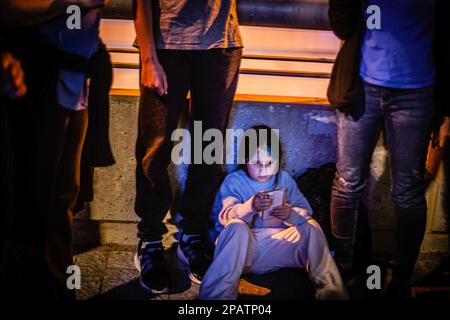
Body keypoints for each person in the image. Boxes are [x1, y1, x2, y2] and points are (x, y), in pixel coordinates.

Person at [328, 0, 450, 298]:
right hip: (362, 87)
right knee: (347, 183)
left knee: (408, 191)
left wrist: (445, 112)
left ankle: (402, 278)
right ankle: (340, 268)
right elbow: (341, 25)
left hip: (418, 91)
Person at [133, 0, 243, 293]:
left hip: (221, 43)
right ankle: (150, 239)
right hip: (166, 43)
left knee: (208, 147)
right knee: (154, 147)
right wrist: (147, 57)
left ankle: (193, 236)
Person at [0, 0, 107, 299]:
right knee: (29, 210)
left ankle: (59, 288)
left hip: (75, 79)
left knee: (63, 199)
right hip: (32, 79)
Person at [199, 125, 348, 300]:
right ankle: (216, 296)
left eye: (269, 163)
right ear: (245, 159)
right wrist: (250, 207)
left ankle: (332, 292)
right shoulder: (234, 181)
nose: (263, 169)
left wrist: (290, 214)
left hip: (277, 248)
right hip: (243, 253)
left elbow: (306, 210)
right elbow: (225, 218)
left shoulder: (283, 178)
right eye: (256, 163)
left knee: (311, 227)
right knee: (236, 227)